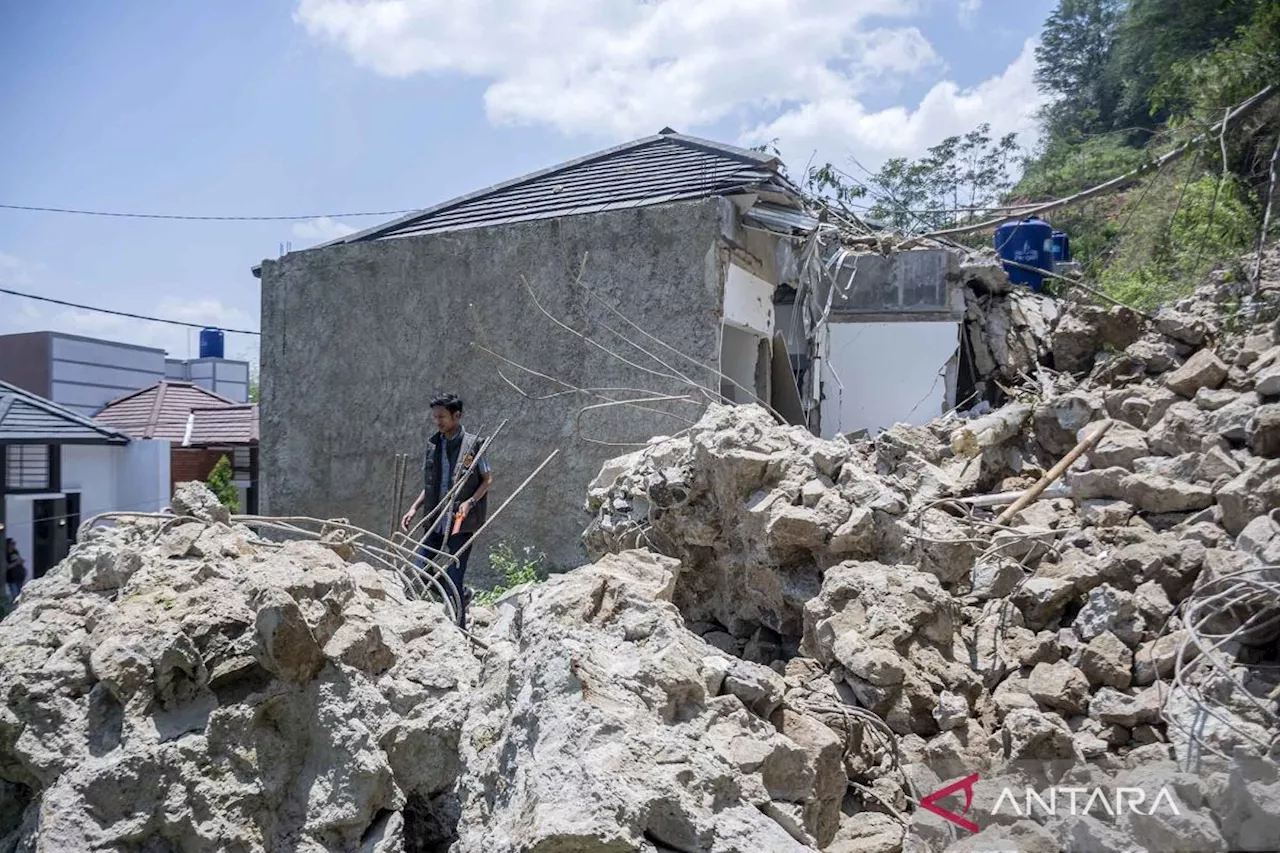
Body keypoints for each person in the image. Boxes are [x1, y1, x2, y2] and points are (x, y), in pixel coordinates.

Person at [400, 393, 492, 628]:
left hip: (461, 521)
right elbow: (430, 485)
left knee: (453, 576)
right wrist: (413, 508)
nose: (438, 421)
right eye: (435, 417)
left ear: (456, 416)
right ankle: (463, 593)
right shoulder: (434, 445)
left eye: (442, 416)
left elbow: (487, 479)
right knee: (420, 570)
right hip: (435, 519)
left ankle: (460, 627)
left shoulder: (474, 445)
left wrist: (470, 502)